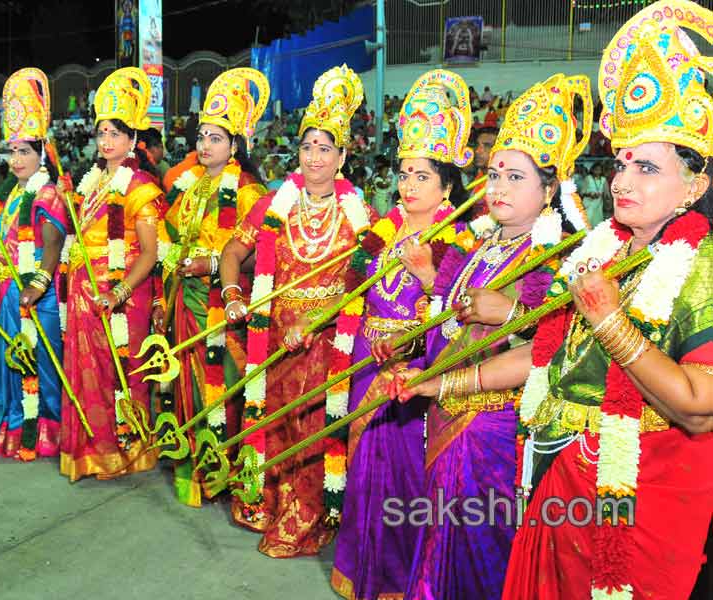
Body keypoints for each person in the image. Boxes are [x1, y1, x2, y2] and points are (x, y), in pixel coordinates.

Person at [467, 4, 713, 598]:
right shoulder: (600, 254)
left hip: (641, 501)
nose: (622, 181)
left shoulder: (701, 269)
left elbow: (698, 407)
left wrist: (607, 319)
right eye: (622, 162)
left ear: (696, 184)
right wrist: (442, 385)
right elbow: (547, 358)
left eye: (648, 167)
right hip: (561, 484)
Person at [388, 73, 593, 599]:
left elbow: (555, 348)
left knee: (480, 546)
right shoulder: (472, 246)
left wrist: (510, 313)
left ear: (550, 189)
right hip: (443, 412)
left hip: (496, 433)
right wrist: (410, 343)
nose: (498, 187)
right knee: (438, 536)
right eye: (495, 174)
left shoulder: (562, 258)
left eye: (516, 178)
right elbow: (447, 317)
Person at [219, 64, 374, 557]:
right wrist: (233, 295)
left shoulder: (360, 218)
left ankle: (307, 516)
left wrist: (317, 319)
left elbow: (361, 284)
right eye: (307, 147)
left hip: (324, 342)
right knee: (267, 420)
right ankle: (262, 502)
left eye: (324, 149)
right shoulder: (272, 203)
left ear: (343, 156)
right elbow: (231, 253)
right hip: (269, 332)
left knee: (310, 429)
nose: (313, 157)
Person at [331, 69, 474, 600]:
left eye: (420, 176)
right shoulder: (382, 232)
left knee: (406, 478)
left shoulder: (460, 241)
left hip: (417, 372)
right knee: (365, 468)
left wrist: (426, 276)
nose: (407, 185)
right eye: (404, 172)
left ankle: (401, 580)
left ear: (447, 185)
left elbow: (460, 317)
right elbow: (358, 294)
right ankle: (361, 572)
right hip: (366, 359)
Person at [154, 68, 269, 506]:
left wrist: (212, 264)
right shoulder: (188, 186)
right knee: (185, 380)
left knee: (222, 385)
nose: (205, 145)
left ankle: (222, 471)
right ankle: (192, 472)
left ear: (236, 145)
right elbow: (168, 238)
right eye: (202, 136)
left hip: (221, 305)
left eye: (216, 138)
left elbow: (259, 253)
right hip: (184, 300)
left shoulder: (248, 191)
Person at [59, 67, 165, 481]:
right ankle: (88, 450)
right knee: (87, 376)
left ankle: (125, 449)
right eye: (102, 132)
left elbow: (151, 253)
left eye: (116, 134)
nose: (106, 141)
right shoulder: (90, 184)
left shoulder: (140, 187)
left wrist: (119, 291)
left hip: (123, 295)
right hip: (84, 293)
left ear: (133, 140)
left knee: (121, 374)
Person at [0, 68, 67, 463]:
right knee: (10, 362)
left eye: (24, 152)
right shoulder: (12, 193)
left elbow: (52, 243)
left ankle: (41, 433)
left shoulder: (46, 193)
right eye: (12, 152)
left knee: (41, 368)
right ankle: (14, 427)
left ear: (41, 153)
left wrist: (39, 281)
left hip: (36, 295)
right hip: (10, 294)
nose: (15, 160)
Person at [465, 125, 499, 218]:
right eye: (477, 145)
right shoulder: (477, 175)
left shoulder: (503, 183)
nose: (477, 151)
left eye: (487, 146)